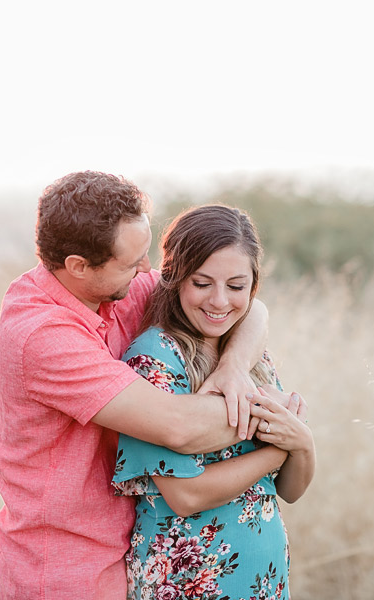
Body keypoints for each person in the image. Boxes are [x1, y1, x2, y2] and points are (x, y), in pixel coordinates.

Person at [0, 171, 298, 599]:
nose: (147, 269)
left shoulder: (120, 288)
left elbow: (252, 308)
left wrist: (233, 367)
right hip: (67, 566)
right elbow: (179, 426)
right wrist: (276, 417)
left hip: (132, 543)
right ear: (79, 266)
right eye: (132, 262)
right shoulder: (40, 335)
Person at [112, 204, 316, 599]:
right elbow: (185, 495)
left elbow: (289, 491)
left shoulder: (250, 356)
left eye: (236, 286)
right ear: (173, 279)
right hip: (188, 581)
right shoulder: (153, 359)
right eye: (202, 283)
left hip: (261, 578)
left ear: (254, 285)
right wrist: (280, 450)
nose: (220, 301)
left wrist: (303, 444)